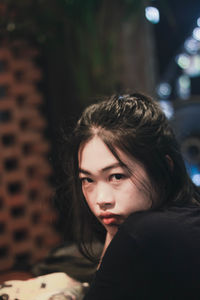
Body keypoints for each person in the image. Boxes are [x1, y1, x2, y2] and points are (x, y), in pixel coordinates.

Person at [63, 93, 200, 299]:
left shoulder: (144, 232)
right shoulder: (187, 216)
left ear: (164, 168)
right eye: (88, 180)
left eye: (117, 176)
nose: (102, 199)